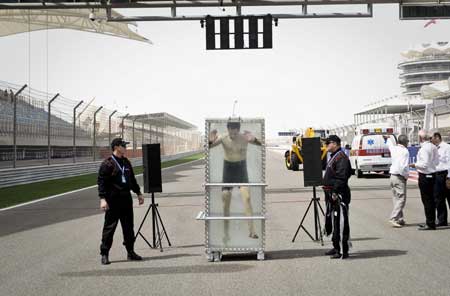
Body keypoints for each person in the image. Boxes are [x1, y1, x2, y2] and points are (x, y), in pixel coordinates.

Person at [209, 120, 262, 244]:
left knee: (247, 198)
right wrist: (210, 139)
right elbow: (208, 146)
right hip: (228, 170)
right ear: (227, 129)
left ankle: (252, 230)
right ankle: (226, 234)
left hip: (241, 169)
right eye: (230, 130)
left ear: (238, 130)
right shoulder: (223, 137)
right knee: (226, 201)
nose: (232, 133)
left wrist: (255, 139)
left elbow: (262, 144)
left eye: (234, 131)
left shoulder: (244, 138)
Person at [97, 138, 144, 265]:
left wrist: (138, 193)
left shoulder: (126, 162)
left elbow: (132, 180)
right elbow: (101, 182)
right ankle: (104, 254)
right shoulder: (107, 163)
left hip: (126, 199)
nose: (125, 147)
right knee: (109, 228)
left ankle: (130, 252)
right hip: (113, 200)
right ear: (117, 147)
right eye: (123, 145)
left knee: (129, 228)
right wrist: (102, 199)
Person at [322, 135, 352, 259]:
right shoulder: (334, 156)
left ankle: (342, 250)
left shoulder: (342, 158)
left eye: (328, 143)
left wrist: (335, 192)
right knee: (333, 221)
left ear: (334, 143)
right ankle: (335, 246)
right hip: (331, 195)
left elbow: (342, 177)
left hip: (339, 195)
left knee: (341, 222)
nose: (326, 146)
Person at [410, 130, 439, 230]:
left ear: (421, 138)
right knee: (430, 199)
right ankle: (431, 221)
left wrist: (414, 165)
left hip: (425, 175)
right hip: (432, 174)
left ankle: (430, 223)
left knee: (427, 200)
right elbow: (436, 161)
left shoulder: (424, 149)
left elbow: (424, 164)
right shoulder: (433, 147)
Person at [385, 134, 410, 228]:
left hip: (392, 176)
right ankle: (394, 218)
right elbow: (402, 167)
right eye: (407, 141)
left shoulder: (394, 148)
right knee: (401, 199)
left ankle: (400, 218)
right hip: (399, 176)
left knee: (396, 198)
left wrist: (387, 139)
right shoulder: (405, 151)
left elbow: (389, 145)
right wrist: (406, 176)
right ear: (405, 142)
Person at [431, 132, 450, 227]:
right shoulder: (434, 148)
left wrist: (449, 177)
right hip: (437, 175)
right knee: (439, 198)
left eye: (432, 138)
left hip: (446, 174)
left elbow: (449, 162)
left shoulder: (446, 147)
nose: (431, 140)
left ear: (437, 137)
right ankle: (442, 220)